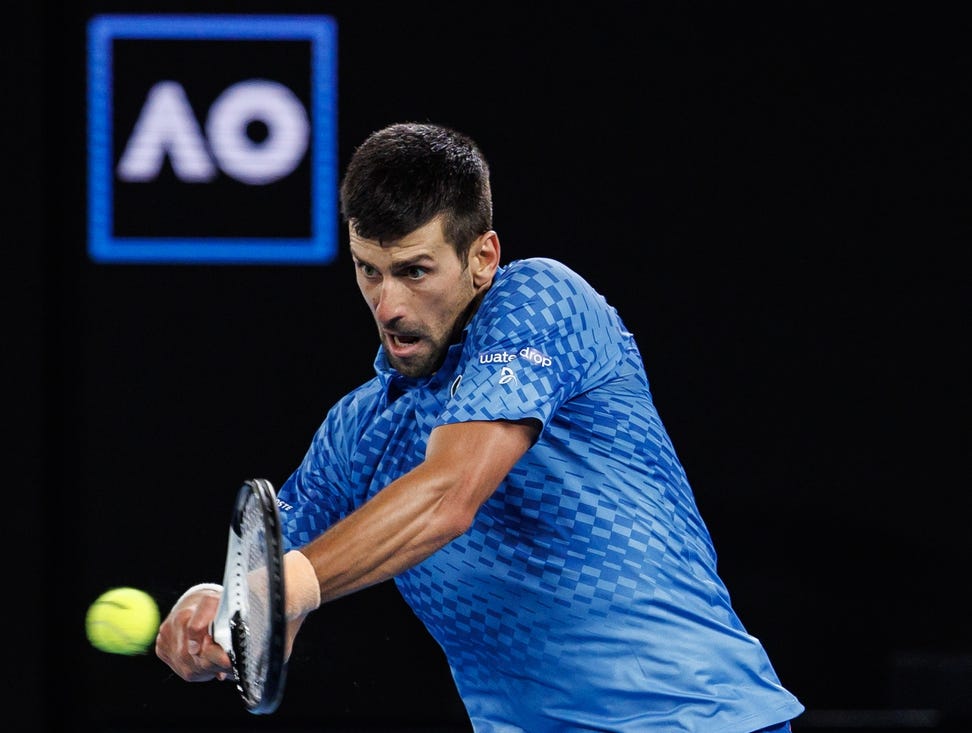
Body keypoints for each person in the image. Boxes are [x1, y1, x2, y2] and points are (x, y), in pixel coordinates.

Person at [155, 121, 805, 732]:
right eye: (368, 270)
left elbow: (448, 495)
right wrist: (221, 602)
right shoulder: (358, 431)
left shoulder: (541, 300)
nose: (389, 305)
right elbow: (279, 567)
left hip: (694, 717)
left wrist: (283, 586)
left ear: (483, 257)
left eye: (414, 270)